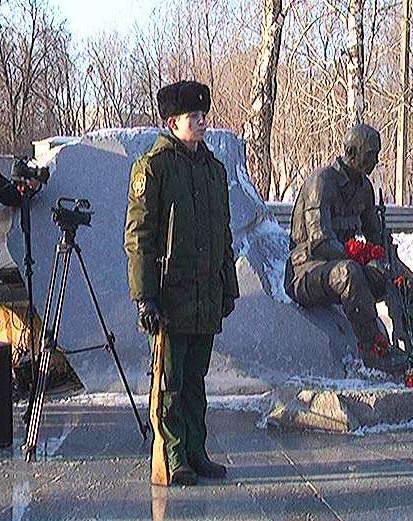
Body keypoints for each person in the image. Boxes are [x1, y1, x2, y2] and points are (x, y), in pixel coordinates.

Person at [124, 80, 238, 486]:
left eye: (204, 115)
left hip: (205, 292)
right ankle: (174, 457)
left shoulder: (213, 170)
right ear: (173, 122)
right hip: (170, 295)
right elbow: (139, 235)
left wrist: (228, 285)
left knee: (195, 380)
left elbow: (223, 232)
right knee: (169, 382)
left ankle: (196, 451)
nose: (202, 122)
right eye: (194, 117)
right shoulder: (154, 167)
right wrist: (145, 297)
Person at [284, 124, 413, 376]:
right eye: (370, 155)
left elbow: (377, 241)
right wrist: (363, 261)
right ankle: (373, 350)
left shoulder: (364, 189)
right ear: (351, 152)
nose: (375, 161)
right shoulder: (322, 183)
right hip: (307, 271)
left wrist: (401, 272)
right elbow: (320, 241)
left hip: (344, 267)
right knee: (350, 272)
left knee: (398, 278)